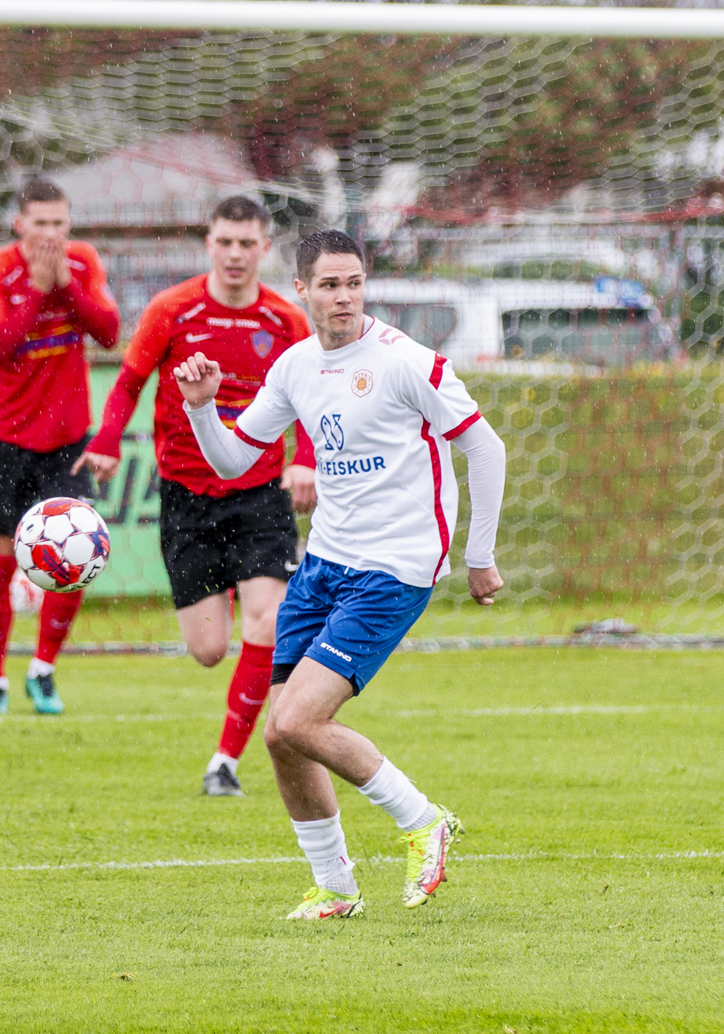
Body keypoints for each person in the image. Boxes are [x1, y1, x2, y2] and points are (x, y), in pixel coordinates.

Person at [175, 228, 507, 920]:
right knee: (279, 735)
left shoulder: (406, 361)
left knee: (299, 717)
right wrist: (202, 408)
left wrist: (479, 553)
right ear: (301, 289)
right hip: (325, 562)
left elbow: (484, 443)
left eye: (354, 282)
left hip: (395, 565)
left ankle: (424, 821)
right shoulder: (296, 366)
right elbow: (234, 461)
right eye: (329, 284)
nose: (345, 296)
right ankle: (335, 886)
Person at [75, 195, 318, 797]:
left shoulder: (285, 322)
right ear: (209, 245)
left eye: (247, 243)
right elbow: (129, 381)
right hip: (187, 498)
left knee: (267, 621)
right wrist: (106, 441)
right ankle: (233, 610)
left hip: (260, 495)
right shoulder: (172, 309)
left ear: (264, 249)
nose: (235, 254)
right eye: (225, 242)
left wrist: (307, 462)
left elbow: (315, 397)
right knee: (209, 649)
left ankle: (225, 763)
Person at [0, 177, 120, 715]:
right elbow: (1, 348)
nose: (52, 234)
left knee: (76, 553)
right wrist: (39, 287)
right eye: (41, 223)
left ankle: (43, 670)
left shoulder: (81, 263)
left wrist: (66, 288)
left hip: (67, 439)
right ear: (20, 225)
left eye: (60, 223)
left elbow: (107, 332)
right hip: (8, 438)